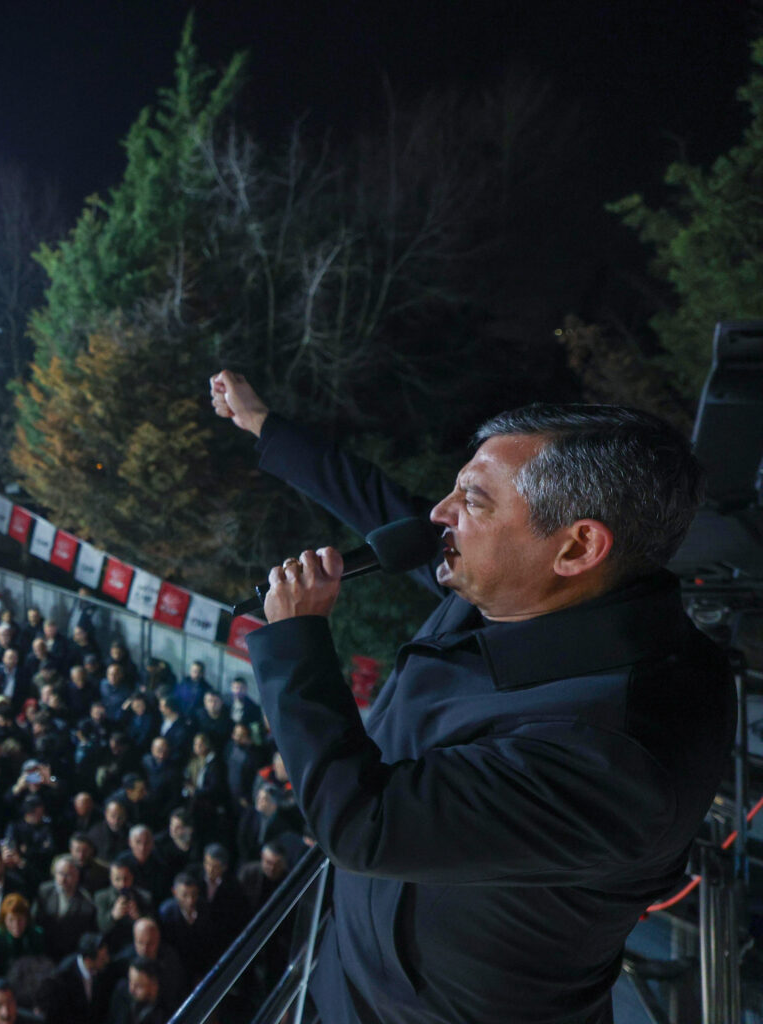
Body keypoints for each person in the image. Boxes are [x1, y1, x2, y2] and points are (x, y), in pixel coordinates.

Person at [209, 371, 733, 1023]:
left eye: (475, 501)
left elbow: (359, 823)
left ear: (576, 546)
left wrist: (295, 645)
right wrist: (267, 427)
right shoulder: (535, 588)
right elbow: (391, 514)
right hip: (351, 975)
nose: (441, 514)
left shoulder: (618, 759)